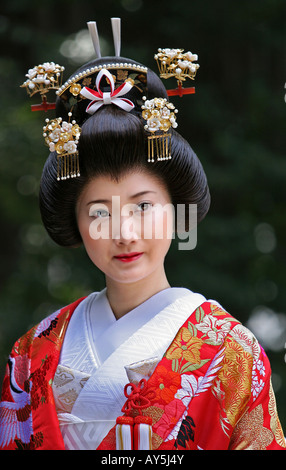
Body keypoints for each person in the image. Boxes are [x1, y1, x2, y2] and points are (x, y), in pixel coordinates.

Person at [0, 19, 285, 451]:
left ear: (177, 210)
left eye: (144, 206)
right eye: (99, 212)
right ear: (75, 222)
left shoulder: (230, 352)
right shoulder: (31, 353)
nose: (125, 232)